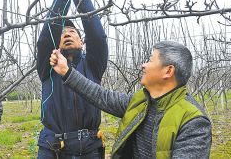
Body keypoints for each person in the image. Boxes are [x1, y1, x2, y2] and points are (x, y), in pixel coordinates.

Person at [50, 41, 212, 159]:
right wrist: (67, 72)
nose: (143, 65)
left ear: (168, 71)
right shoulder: (141, 101)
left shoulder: (194, 122)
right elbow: (101, 96)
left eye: (150, 59)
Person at [36, 0, 108, 158]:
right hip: (53, 148)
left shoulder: (93, 65)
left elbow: (98, 36)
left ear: (82, 42)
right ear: (57, 43)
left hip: (90, 148)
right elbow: (45, 38)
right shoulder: (48, 65)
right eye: (63, 33)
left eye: (72, 32)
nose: (67, 34)